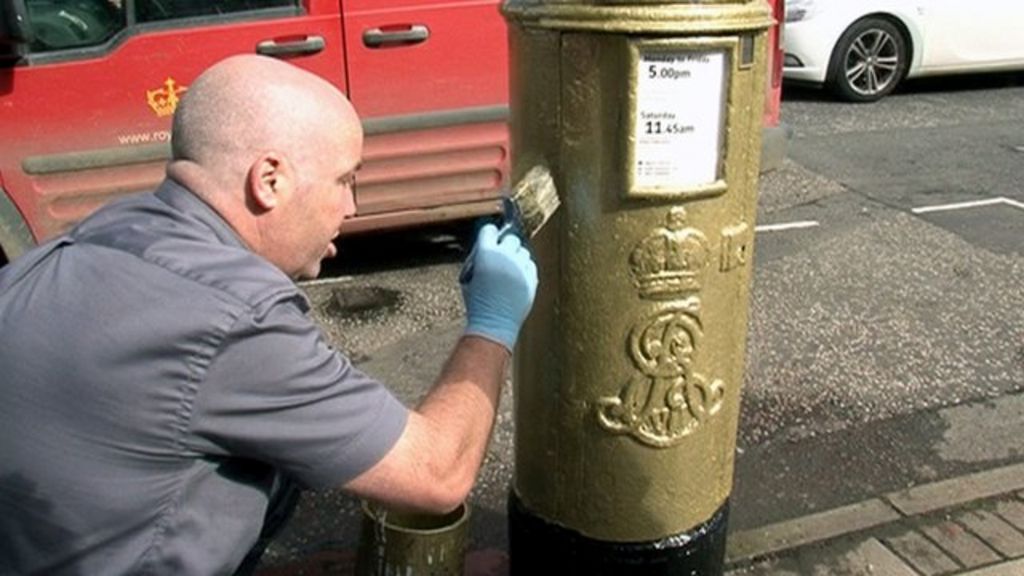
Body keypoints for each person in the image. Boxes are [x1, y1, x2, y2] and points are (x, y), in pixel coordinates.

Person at [0, 55, 537, 575]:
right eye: (344, 180)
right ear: (270, 180)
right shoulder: (235, 317)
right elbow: (437, 473)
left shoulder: (105, 231)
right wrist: (492, 323)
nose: (351, 207)